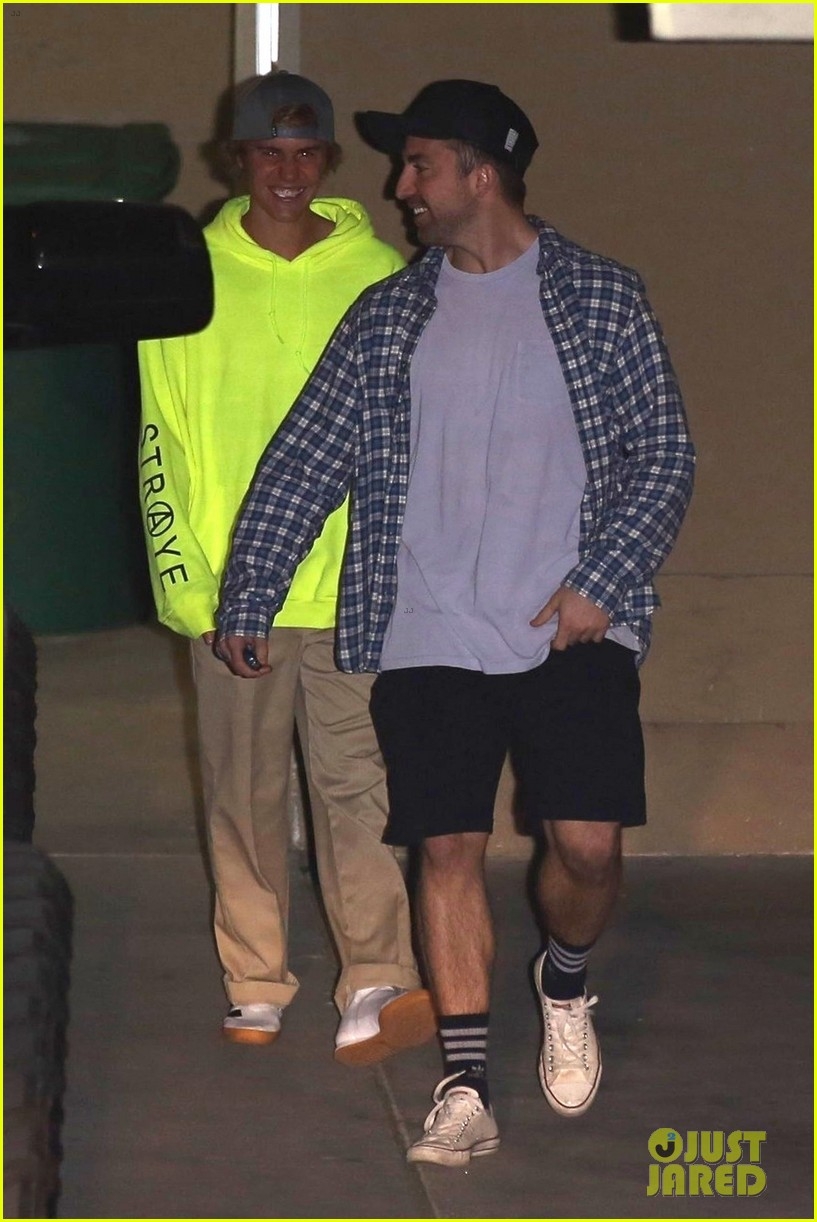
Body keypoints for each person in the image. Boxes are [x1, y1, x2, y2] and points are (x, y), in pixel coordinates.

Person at [215, 78, 695, 1161]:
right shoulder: (390, 313)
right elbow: (304, 459)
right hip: (425, 626)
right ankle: (465, 1081)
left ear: (482, 174)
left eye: (420, 164)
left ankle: (563, 980)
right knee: (445, 847)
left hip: (571, 624)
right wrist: (251, 589)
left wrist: (602, 580)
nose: (401, 186)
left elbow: (663, 455)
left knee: (586, 848)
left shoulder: (600, 297)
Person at [138, 70, 436, 1064]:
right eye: (270, 152)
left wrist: (400, 572)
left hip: (352, 588)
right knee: (245, 792)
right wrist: (191, 586)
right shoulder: (189, 274)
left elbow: (411, 436)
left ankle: (376, 977)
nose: (288, 172)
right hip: (235, 592)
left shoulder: (379, 272)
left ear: (331, 163)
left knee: (358, 787)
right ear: (236, 159)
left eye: (307, 154)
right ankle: (257, 977)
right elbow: (161, 433)